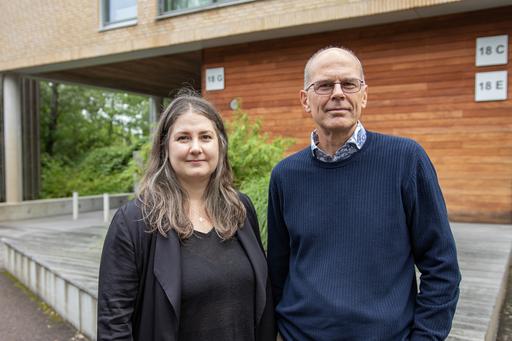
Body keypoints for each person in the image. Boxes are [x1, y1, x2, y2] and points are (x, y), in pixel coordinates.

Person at [267, 47, 461, 340]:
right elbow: (278, 270)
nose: (337, 94)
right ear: (305, 100)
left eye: (348, 84)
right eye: (324, 85)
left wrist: (426, 336)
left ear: (364, 95)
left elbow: (441, 266)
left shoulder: (406, 160)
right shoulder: (285, 175)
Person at [97, 91, 275, 341]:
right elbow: (114, 323)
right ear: (164, 147)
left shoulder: (240, 209)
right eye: (183, 138)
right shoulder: (135, 221)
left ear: (220, 145)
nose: (195, 148)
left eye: (205, 137)